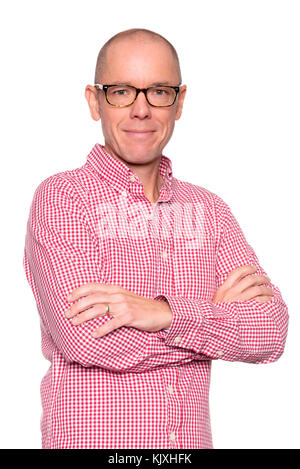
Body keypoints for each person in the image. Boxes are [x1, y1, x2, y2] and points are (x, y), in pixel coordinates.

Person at [23, 28, 289, 449]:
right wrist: (209, 321)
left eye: (159, 92)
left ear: (180, 102)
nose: (141, 110)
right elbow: (84, 339)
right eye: (122, 91)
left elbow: (270, 331)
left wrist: (161, 314)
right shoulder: (63, 198)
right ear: (94, 101)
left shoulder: (211, 211)